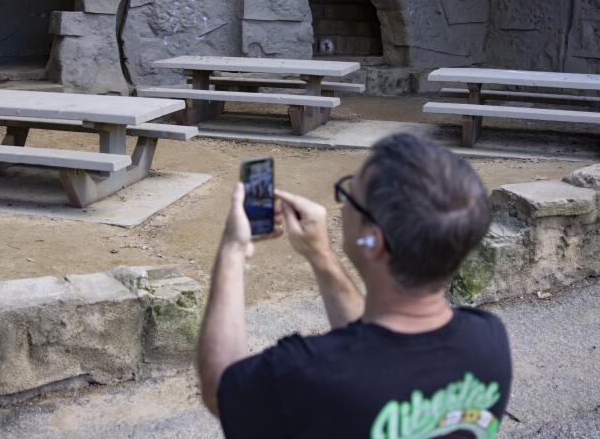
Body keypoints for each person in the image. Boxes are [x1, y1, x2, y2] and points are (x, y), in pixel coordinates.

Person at [196, 133, 512, 439]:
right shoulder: (488, 342)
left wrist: (233, 248)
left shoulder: (309, 373)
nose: (342, 207)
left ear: (374, 241)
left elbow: (222, 388)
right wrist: (319, 253)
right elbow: (373, 344)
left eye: (348, 195)